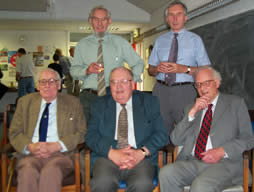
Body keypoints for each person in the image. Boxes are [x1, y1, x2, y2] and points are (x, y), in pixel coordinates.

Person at [159, 66, 254, 192]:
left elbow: (248, 139)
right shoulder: (191, 108)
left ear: (217, 83)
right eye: (198, 85)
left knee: (201, 186)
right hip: (193, 162)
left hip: (225, 164)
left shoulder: (235, 104)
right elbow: (175, 140)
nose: (202, 89)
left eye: (206, 83)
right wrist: (192, 113)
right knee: (166, 173)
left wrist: (221, 151)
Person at [85, 67, 168, 192]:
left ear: (132, 84)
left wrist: (142, 152)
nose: (118, 87)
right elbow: (91, 135)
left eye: (123, 81)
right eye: (114, 82)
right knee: (102, 183)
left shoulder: (149, 102)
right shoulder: (99, 105)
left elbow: (162, 134)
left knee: (142, 183)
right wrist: (111, 153)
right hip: (108, 158)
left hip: (141, 159)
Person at [9, 68, 87, 192]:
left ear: (59, 84)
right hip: (31, 154)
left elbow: (82, 132)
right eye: (43, 82)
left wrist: (58, 145)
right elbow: (14, 132)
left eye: (52, 81)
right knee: (27, 171)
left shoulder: (73, 103)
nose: (47, 85)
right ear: (37, 86)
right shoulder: (25, 102)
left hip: (61, 155)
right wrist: (30, 146)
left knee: (51, 171)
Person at [148, 0, 211, 136]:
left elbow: (207, 71)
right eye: (171, 15)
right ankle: (162, 157)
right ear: (166, 19)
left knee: (187, 132)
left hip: (185, 91)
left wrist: (184, 69)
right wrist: (157, 68)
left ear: (186, 18)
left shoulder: (195, 40)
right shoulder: (160, 40)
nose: (175, 18)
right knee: (159, 132)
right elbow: (150, 70)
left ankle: (183, 158)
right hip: (160, 92)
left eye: (179, 14)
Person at [71, 6, 144, 121]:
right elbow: (73, 71)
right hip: (88, 98)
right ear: (90, 21)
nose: (100, 23)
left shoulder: (120, 43)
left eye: (103, 19)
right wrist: (87, 71)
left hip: (114, 95)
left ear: (109, 21)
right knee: (88, 135)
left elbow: (138, 63)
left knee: (115, 133)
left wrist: (131, 82)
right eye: (96, 19)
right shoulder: (82, 45)